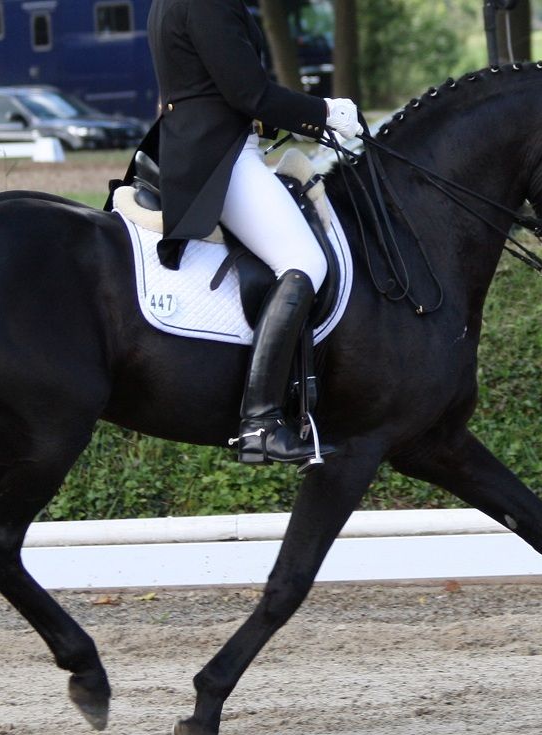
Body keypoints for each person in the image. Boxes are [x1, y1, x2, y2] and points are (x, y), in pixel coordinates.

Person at [146, 0, 362, 466]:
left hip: (216, 143)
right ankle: (260, 422)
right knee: (306, 261)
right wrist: (325, 112)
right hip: (216, 158)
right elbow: (250, 94)